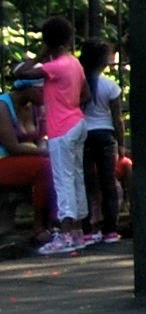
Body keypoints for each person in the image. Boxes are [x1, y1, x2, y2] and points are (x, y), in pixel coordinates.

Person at [35, 18, 89, 255]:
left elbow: (19, 72)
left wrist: (40, 56)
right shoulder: (75, 63)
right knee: (76, 177)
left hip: (60, 128)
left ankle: (65, 232)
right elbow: (85, 94)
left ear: (48, 41)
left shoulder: (54, 67)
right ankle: (78, 231)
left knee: (63, 179)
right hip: (77, 122)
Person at [0, 65, 51, 249]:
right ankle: (38, 226)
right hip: (4, 160)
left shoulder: (36, 108)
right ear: (28, 88)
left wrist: (46, 147)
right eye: (41, 90)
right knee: (45, 166)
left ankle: (57, 223)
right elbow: (12, 147)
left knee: (55, 165)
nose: (45, 95)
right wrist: (46, 152)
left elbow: (42, 138)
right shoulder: (3, 106)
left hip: (27, 159)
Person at [78, 39, 123, 245]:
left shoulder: (79, 84)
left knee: (86, 183)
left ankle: (86, 229)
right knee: (108, 183)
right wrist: (121, 143)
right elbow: (117, 118)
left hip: (84, 133)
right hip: (105, 134)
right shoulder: (110, 85)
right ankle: (110, 229)